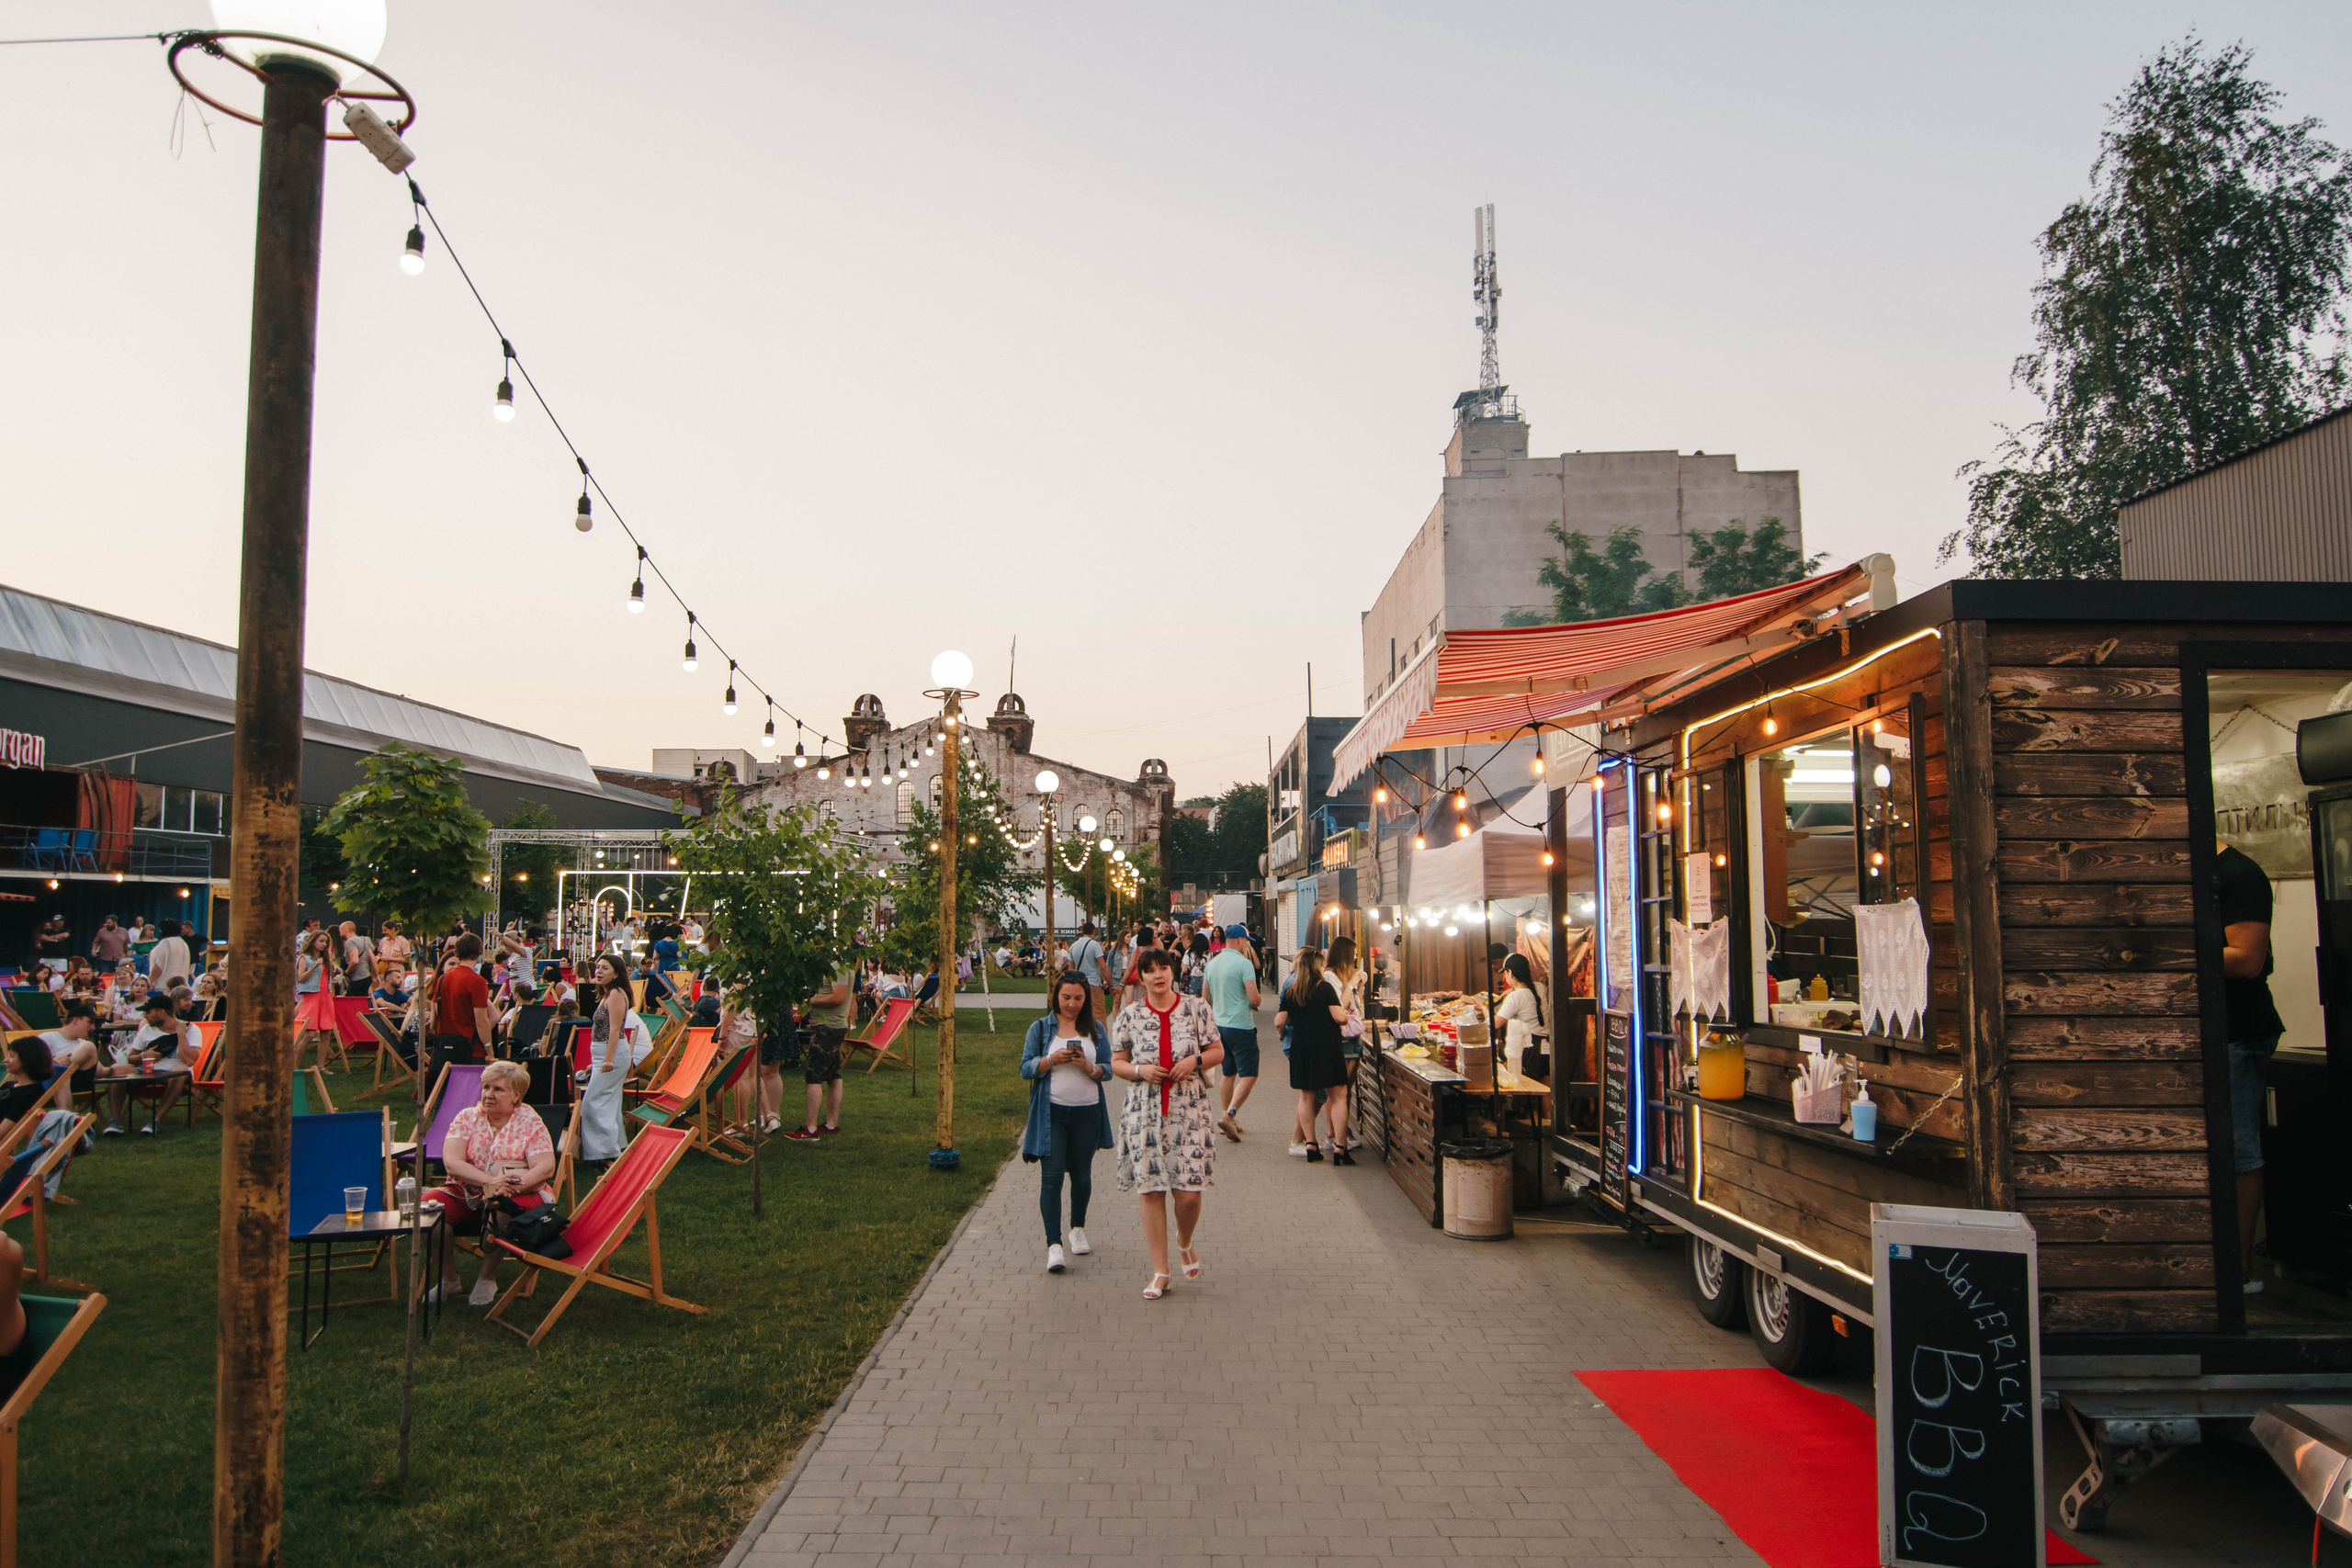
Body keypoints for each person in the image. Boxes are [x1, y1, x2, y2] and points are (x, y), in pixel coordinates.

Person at [1109, 947, 1224, 1300]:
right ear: (1141, 978)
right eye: (1150, 970)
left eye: (1163, 968)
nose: (1158, 975)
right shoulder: (1129, 1015)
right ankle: (1161, 1271)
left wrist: (1194, 1061)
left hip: (1189, 1109)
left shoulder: (1196, 1008)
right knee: (1152, 1189)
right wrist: (1140, 1070)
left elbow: (1218, 1051)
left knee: (1189, 1194)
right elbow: (1116, 1062)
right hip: (1144, 1111)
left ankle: (1184, 1240)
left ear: (1173, 972)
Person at [421, 1059, 557, 1307]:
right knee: (428, 1208)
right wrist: (493, 1181)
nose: (489, 1095)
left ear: (516, 1095)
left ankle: (487, 1278)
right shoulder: (467, 1117)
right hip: (468, 1191)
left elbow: (545, 1166)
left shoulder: (530, 1122)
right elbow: (452, 1163)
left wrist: (509, 1187)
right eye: (486, 1088)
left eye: (498, 1089)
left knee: (500, 1207)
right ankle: (448, 1278)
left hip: (518, 1193)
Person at [2218, 836, 2286, 1294]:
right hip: (2212, 1030)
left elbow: (2247, 959)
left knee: (2239, 1148)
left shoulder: (2239, 875)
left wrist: (2169, 946)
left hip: (2238, 1031)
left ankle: (2239, 1271)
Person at [1022, 972, 1111, 1274]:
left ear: (1086, 999)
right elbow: (1025, 1067)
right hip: (1052, 1114)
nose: (1072, 1004)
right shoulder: (1040, 1028)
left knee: (1082, 1177)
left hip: (1088, 1113)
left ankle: (1077, 1229)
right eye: (1066, 997)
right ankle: (1054, 1245)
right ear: (1056, 997)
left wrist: (1089, 1067)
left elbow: (1109, 1069)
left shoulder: (1096, 1029)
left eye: (1078, 998)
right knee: (1052, 1178)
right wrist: (1050, 1061)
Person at [1278, 945, 1352, 1165]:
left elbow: (1279, 1021)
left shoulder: (1292, 991)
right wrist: (1347, 1017)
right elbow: (1338, 1017)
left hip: (1301, 1047)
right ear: (1316, 965)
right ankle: (1340, 1148)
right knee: (1338, 1096)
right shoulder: (1325, 988)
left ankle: (1311, 1145)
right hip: (1327, 1046)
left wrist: (1282, 1035)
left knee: (1307, 1096)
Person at [101, 992, 199, 1134]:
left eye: (148, 1012)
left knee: (179, 1073)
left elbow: (190, 1061)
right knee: (119, 1069)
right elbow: (131, 1059)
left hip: (174, 1074)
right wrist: (143, 1055)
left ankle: (155, 1121)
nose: (145, 1016)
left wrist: (181, 1035)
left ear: (161, 1012)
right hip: (147, 1072)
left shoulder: (191, 1029)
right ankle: (115, 1121)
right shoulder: (146, 1029)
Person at [1203, 924, 1261, 1143]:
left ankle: (1227, 1116)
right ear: (1239, 940)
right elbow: (1254, 999)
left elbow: (1206, 998)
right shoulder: (1244, 964)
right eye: (1246, 941)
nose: (1247, 945)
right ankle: (1229, 1115)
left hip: (1219, 1026)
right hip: (1241, 1026)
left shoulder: (1213, 963)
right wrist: (1257, 1001)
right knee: (1249, 1074)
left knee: (1228, 1073)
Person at [577, 954, 636, 1163]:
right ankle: (616, 1146)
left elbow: (615, 1030)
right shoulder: (609, 994)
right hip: (604, 1053)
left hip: (612, 1054)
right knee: (609, 1102)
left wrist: (608, 1060)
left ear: (617, 974)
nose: (599, 972)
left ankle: (605, 1152)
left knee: (593, 1103)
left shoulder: (616, 995)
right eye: (598, 968)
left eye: (605, 968)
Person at [785, 962, 854, 1140]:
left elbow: (839, 997)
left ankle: (810, 1129)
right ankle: (831, 1125)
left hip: (827, 1027)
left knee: (813, 1076)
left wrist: (810, 1001)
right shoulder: (836, 964)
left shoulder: (838, 966)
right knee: (833, 1075)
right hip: (831, 1026)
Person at [428, 933, 495, 1091]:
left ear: (456, 953)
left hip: (445, 1045)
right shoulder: (477, 981)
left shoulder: (443, 979)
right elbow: (481, 1021)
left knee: (446, 1093)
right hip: (471, 1048)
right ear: (480, 951)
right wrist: (490, 1051)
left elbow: (435, 1011)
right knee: (470, 1093)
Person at [38, 1000, 102, 1111]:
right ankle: (68, 1119)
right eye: (90, 1022)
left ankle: (115, 1119)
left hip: (77, 1086)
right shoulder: (48, 1037)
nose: (93, 1028)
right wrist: (52, 1061)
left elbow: (99, 1071)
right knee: (62, 1075)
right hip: (48, 1087)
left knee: (88, 1047)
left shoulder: (83, 1045)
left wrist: (118, 1069)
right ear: (76, 1020)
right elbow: (32, 1063)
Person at [292, 928, 340, 1071]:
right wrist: (314, 966)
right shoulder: (304, 959)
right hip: (312, 998)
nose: (324, 944)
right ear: (313, 942)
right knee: (309, 1035)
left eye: (326, 942)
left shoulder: (326, 960)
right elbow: (301, 978)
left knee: (326, 1034)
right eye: (321, 941)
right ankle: (295, 1067)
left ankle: (321, 1067)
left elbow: (328, 976)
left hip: (326, 998)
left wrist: (335, 971)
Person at [1493, 953, 1544, 1077]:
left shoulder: (1515, 997)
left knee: (1526, 1087)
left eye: (1505, 973)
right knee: (1545, 1088)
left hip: (1530, 1050)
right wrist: (1512, 989)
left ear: (1510, 973)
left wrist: (1483, 1008)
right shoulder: (1541, 987)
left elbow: (1495, 1024)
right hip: (1546, 1050)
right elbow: (1531, 987)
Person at [1066, 920, 1105, 1017]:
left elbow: (1071, 968)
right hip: (1093, 983)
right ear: (1094, 932)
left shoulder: (1073, 946)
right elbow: (1103, 966)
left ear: (1082, 932)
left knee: (1081, 1014)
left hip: (1079, 983)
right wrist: (1109, 982)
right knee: (1098, 1012)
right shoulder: (1094, 945)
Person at [146, 919, 192, 991]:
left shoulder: (165, 943)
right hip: (182, 987)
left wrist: (148, 983)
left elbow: (158, 967)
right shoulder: (183, 943)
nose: (159, 931)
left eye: (161, 929)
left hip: (164, 987)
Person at [338, 920, 376, 996]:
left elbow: (354, 961)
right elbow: (373, 959)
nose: (339, 933)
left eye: (340, 930)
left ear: (345, 930)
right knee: (363, 1000)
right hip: (366, 976)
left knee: (353, 1001)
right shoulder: (363, 940)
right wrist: (376, 976)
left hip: (358, 978)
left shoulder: (350, 942)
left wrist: (347, 972)